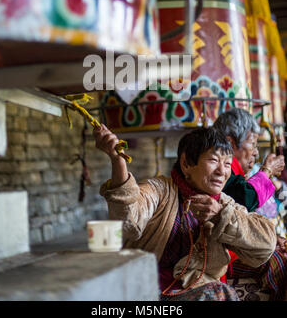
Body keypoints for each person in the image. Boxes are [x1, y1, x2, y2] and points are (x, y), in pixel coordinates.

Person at [94, 124, 276, 301]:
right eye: (213, 161)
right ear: (186, 163)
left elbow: (265, 246)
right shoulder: (160, 190)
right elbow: (128, 222)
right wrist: (118, 161)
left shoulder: (221, 203)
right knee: (219, 293)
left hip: (194, 288)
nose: (222, 171)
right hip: (146, 289)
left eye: (227, 164)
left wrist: (222, 215)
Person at [214, 108, 287, 300]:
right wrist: (267, 171)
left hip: (235, 244)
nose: (255, 152)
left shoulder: (234, 171)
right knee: (278, 262)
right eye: (252, 143)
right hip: (222, 253)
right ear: (230, 143)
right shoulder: (220, 170)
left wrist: (273, 236)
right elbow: (244, 200)